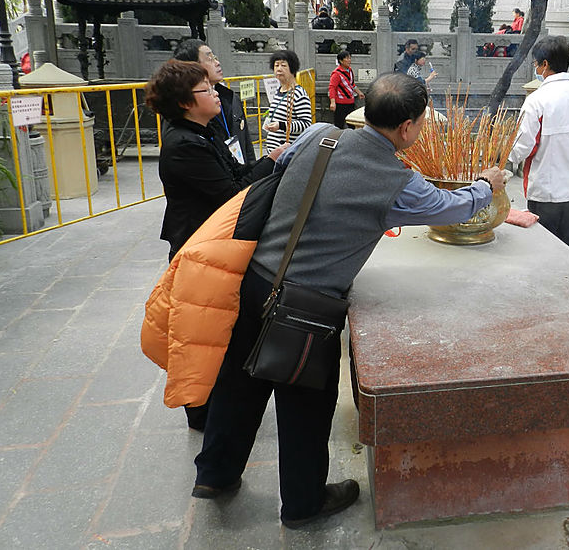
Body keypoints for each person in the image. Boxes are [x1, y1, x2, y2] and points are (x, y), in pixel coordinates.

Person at [192, 73, 504, 528]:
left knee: (239, 385)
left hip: (259, 278)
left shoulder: (322, 135)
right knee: (305, 408)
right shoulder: (396, 180)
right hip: (307, 306)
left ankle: (215, 475)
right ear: (408, 129)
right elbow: (449, 207)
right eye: (421, 124)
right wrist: (486, 184)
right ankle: (302, 503)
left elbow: (282, 175)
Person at [145, 60, 287, 429]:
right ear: (185, 102)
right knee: (198, 332)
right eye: (205, 90)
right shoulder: (183, 145)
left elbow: (237, 172)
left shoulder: (201, 133)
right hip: (197, 248)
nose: (214, 94)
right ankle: (200, 410)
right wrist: (272, 161)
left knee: (213, 328)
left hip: (211, 245)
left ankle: (213, 403)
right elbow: (231, 194)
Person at [509, 36, 569, 253]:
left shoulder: (538, 100)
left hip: (546, 189)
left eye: (536, 64)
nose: (536, 68)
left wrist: (499, 157)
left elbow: (523, 145)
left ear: (545, 64)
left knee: (544, 247)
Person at [173, 39, 255, 166]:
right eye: (209, 59)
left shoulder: (230, 98)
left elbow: (247, 145)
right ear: (193, 67)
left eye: (215, 57)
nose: (217, 63)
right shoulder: (188, 110)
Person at [263, 50, 312, 151]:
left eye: (283, 65)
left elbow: (306, 124)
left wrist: (280, 125)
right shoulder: (279, 91)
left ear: (292, 69)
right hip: (273, 152)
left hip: (287, 154)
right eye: (276, 65)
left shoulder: (299, 94)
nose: (279, 69)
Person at [328, 49, 365, 128]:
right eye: (347, 58)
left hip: (350, 102)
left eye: (350, 58)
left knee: (352, 124)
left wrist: (359, 92)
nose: (349, 60)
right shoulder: (336, 73)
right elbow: (332, 88)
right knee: (339, 125)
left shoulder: (350, 70)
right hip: (340, 103)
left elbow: (351, 84)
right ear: (341, 61)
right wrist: (332, 102)